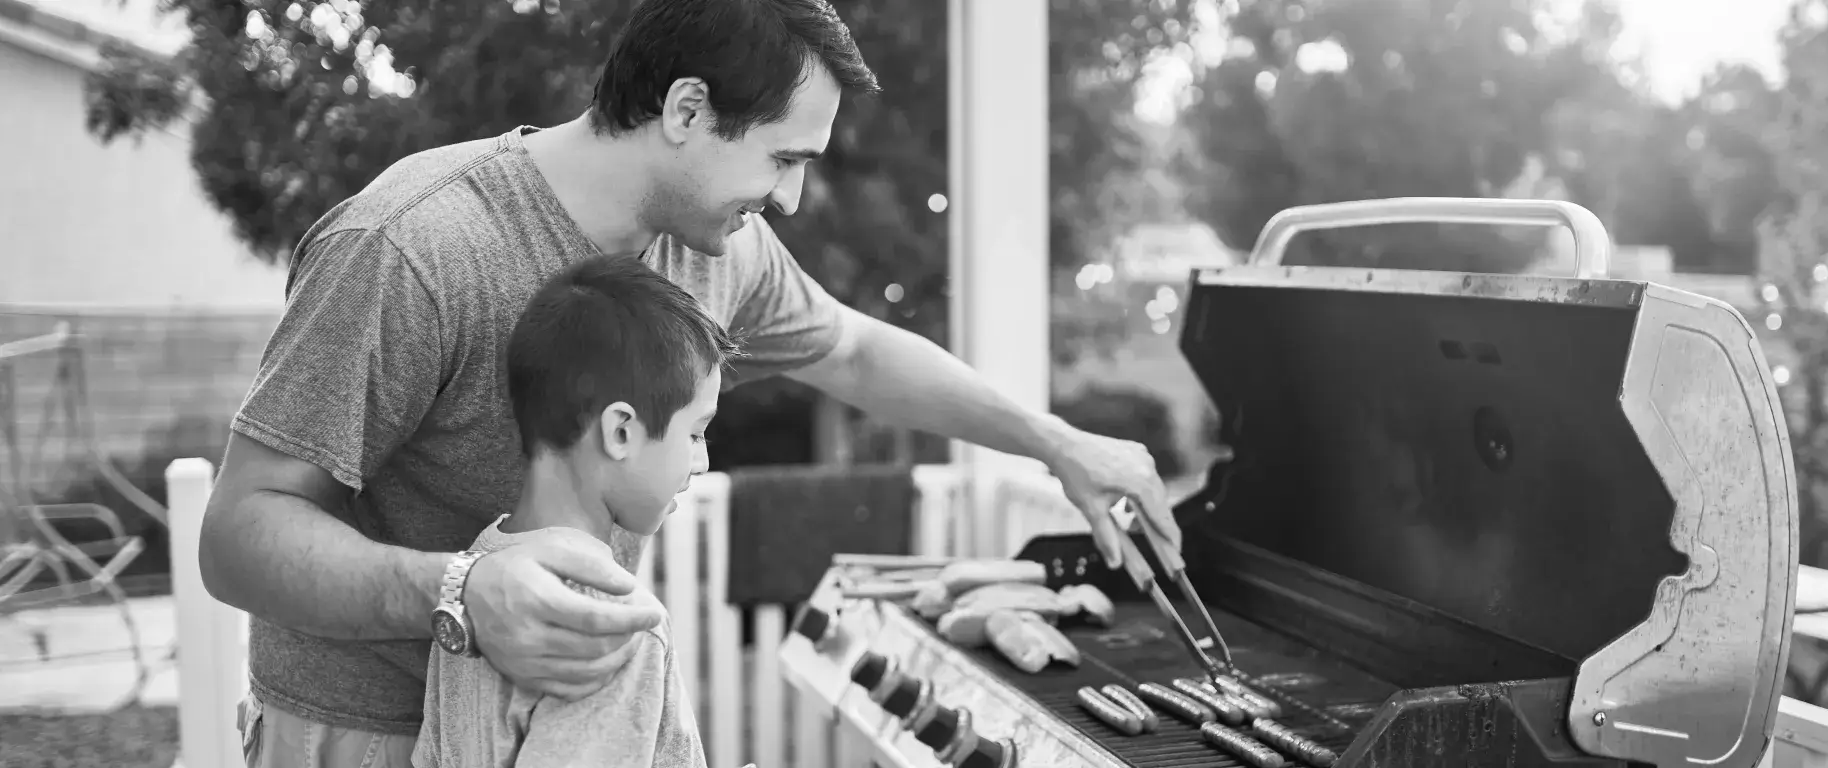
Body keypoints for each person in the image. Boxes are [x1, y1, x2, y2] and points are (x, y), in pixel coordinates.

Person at [205, 0, 1179, 765]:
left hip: (570, 722)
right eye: (783, 158)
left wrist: (1059, 444)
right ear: (685, 110)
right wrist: (457, 590)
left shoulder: (719, 249)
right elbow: (240, 535)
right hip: (365, 735)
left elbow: (853, 352)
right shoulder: (414, 247)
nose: (792, 199)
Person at [414, 255, 732, 768]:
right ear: (621, 431)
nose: (702, 460)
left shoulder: (476, 574)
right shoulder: (610, 622)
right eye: (695, 433)